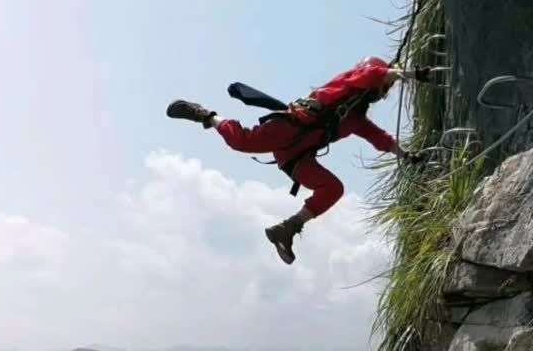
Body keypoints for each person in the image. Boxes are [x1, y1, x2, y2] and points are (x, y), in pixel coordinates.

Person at [167, 57, 426, 265]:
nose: (383, 93)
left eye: (387, 89)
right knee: (242, 142)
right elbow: (370, 75)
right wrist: (408, 74)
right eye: (385, 87)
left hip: (298, 157)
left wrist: (407, 156)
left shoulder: (356, 119)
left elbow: (380, 138)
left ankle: (287, 228)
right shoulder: (343, 86)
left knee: (333, 189)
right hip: (289, 128)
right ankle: (205, 115)